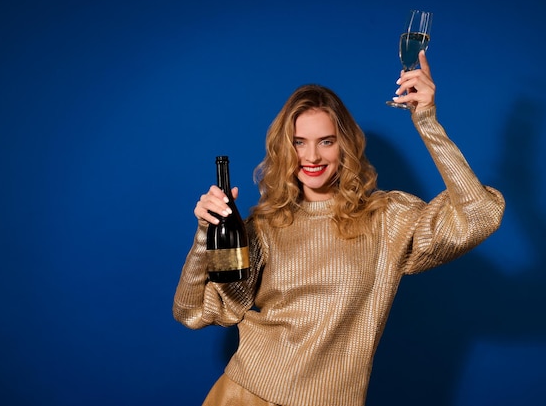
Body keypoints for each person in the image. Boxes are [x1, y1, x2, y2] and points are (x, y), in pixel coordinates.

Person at [173, 51, 505, 406]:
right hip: (246, 394)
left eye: (326, 141)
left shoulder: (387, 218)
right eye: (299, 142)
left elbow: (481, 214)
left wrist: (427, 122)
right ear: (286, 149)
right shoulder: (265, 225)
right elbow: (194, 312)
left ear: (344, 144)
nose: (312, 157)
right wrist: (204, 234)